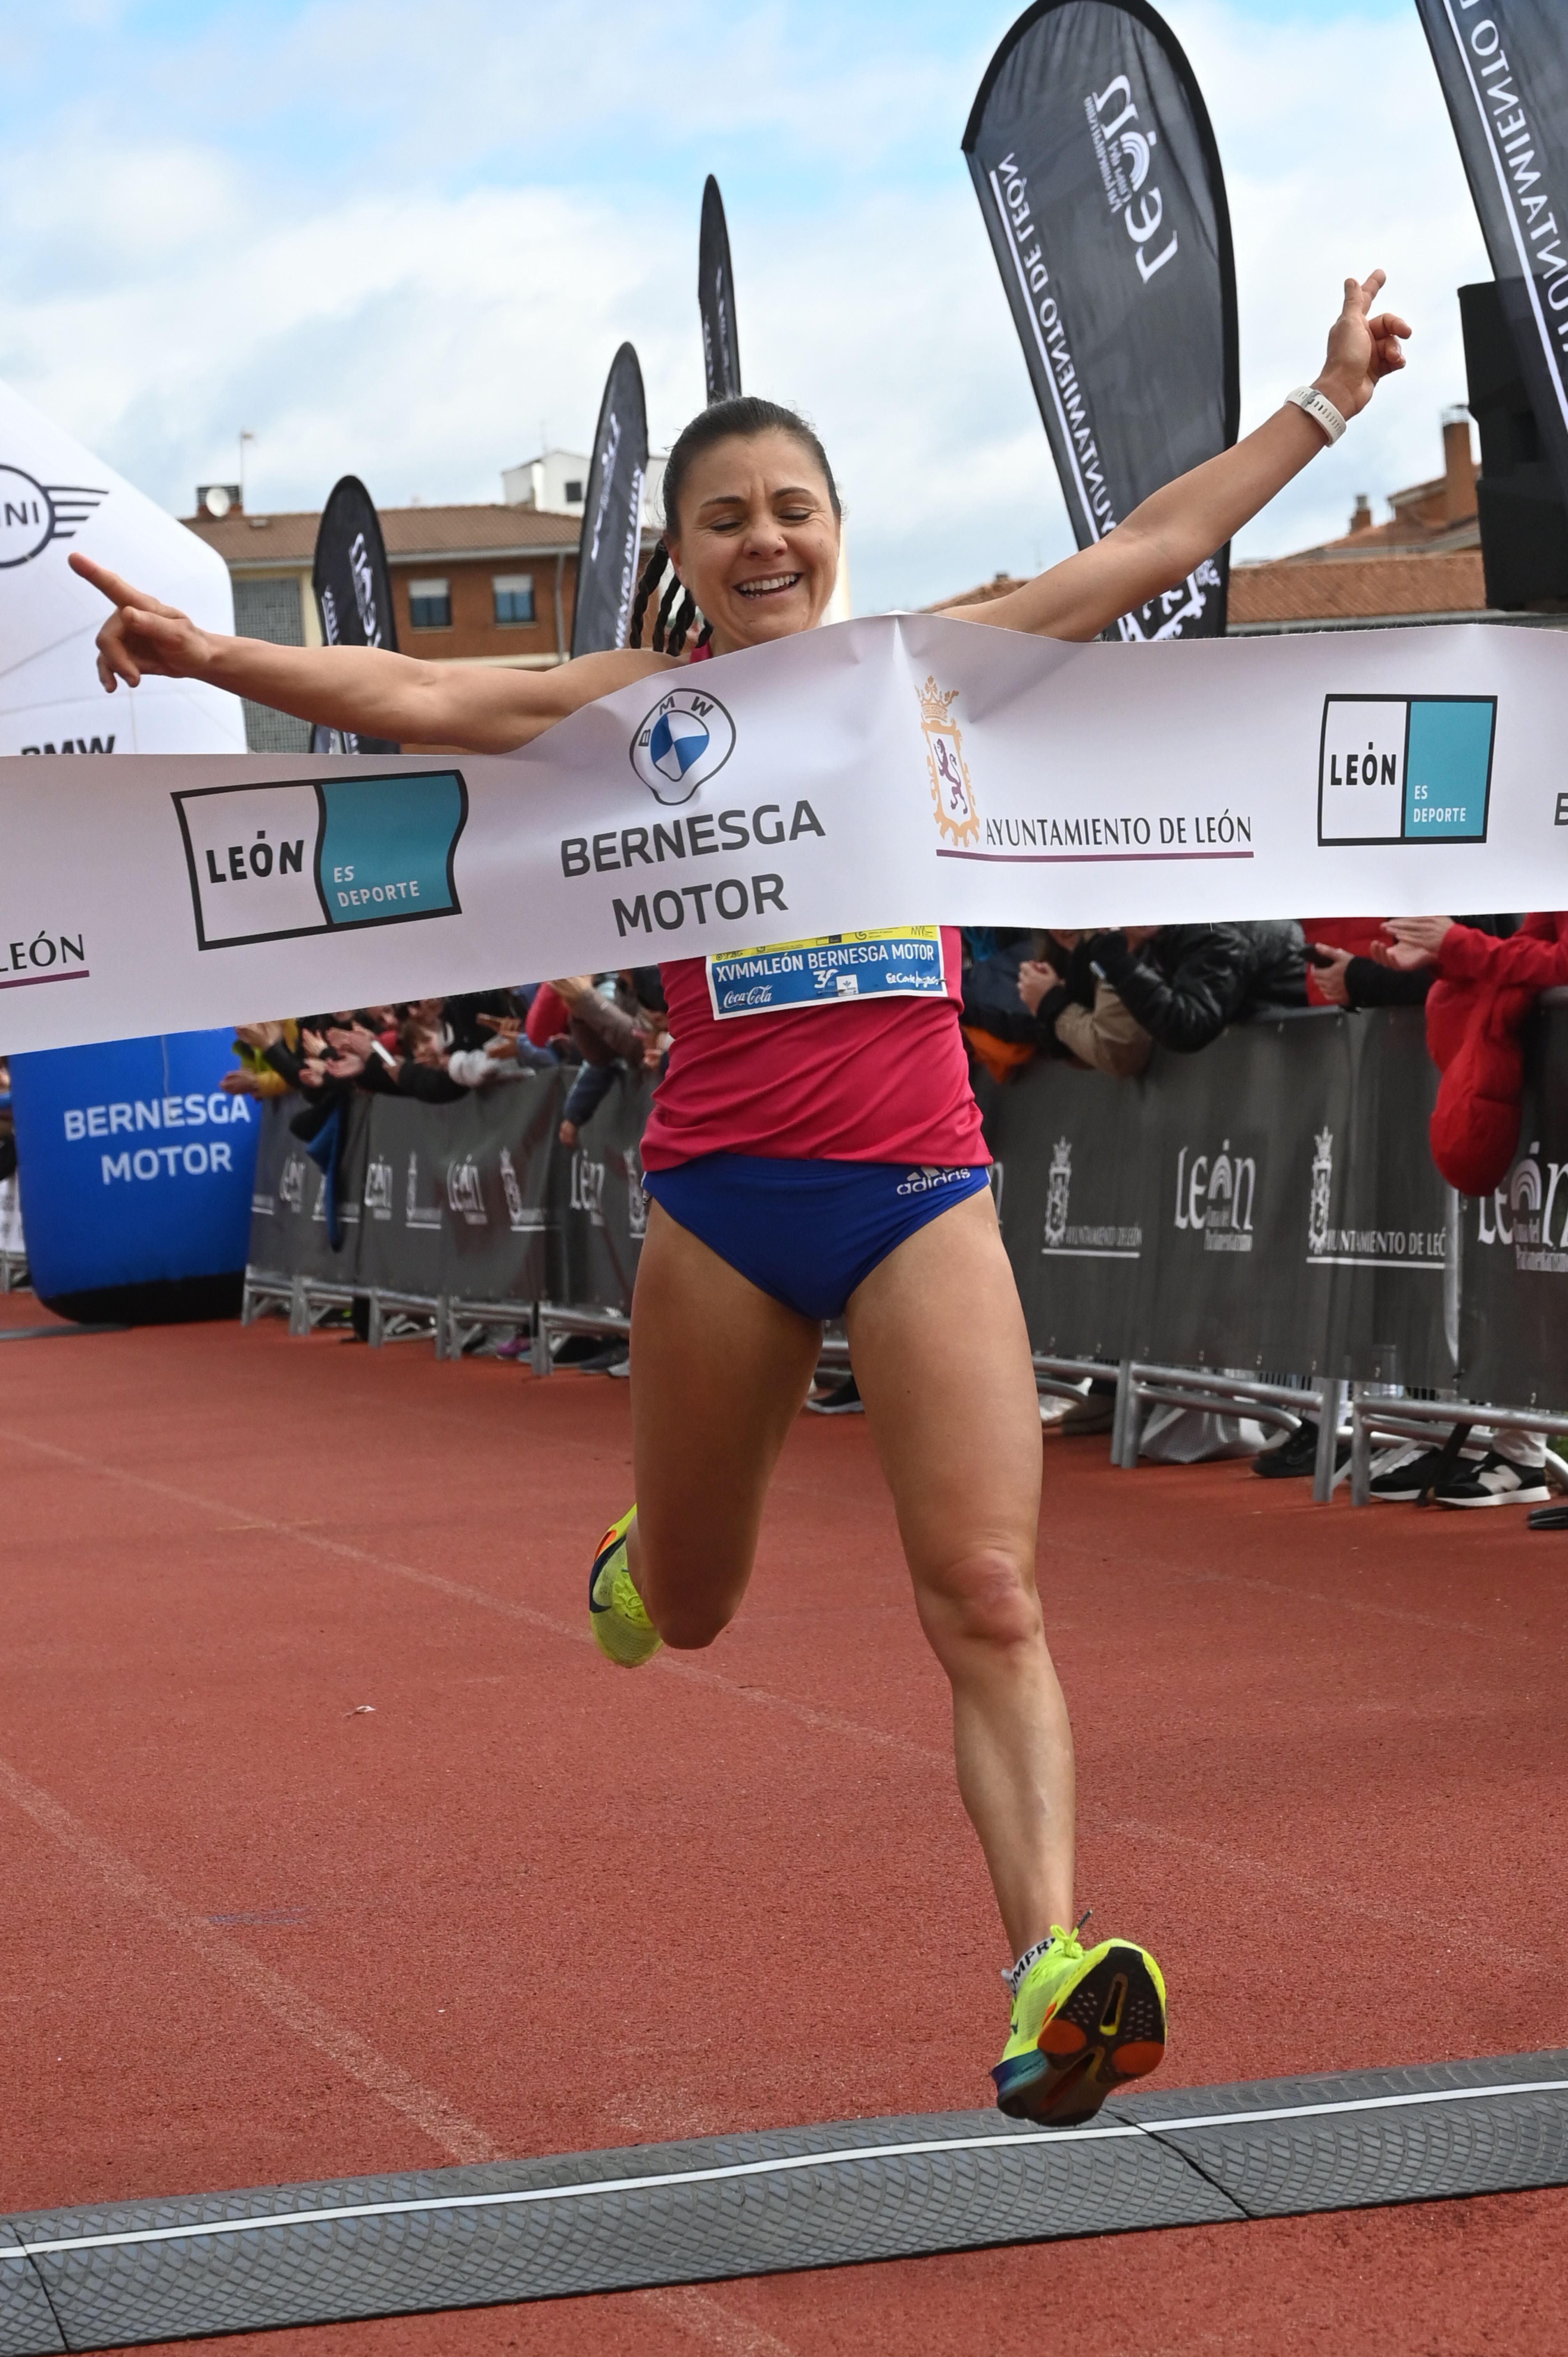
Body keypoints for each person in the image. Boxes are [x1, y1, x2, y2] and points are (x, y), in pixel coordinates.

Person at [74, 270, 1410, 2126]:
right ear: (687, 559)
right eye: (727, 518)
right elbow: (423, 686)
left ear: (836, 533)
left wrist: (1327, 407)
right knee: (693, 1609)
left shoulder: (923, 668)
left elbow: (1152, 543)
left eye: (793, 508)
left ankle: (1049, 1964)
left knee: (995, 1592)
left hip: (922, 1190)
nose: (764, 538)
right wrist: (221, 662)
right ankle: (648, 1557)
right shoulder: (638, 710)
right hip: (720, 1204)